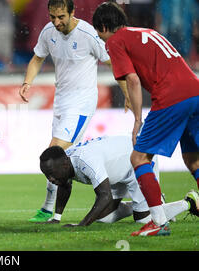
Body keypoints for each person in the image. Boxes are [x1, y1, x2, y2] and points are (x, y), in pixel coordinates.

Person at [92, 2, 199, 236]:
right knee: (193, 160)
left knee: (139, 157)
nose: (101, 40)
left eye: (99, 34)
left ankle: (158, 222)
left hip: (172, 95)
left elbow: (132, 80)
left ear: (102, 27)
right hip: (195, 90)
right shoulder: (146, 32)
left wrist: (138, 119)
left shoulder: (115, 41)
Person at [18, 0, 130, 223]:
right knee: (62, 159)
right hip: (61, 101)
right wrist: (27, 82)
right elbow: (37, 58)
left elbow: (113, 64)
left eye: (61, 17)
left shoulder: (89, 34)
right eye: (52, 17)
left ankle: (48, 209)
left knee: (54, 152)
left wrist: (128, 93)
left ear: (72, 12)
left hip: (82, 103)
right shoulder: (48, 32)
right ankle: (132, 197)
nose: (56, 22)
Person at [39, 136, 199, 228]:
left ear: (65, 164)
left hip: (137, 161)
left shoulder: (85, 161)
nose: (50, 179)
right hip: (115, 171)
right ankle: (154, 202)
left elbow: (104, 195)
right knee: (103, 218)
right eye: (47, 175)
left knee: (142, 220)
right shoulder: (64, 163)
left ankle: (190, 202)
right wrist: (57, 217)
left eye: (51, 174)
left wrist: (81, 225)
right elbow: (65, 186)